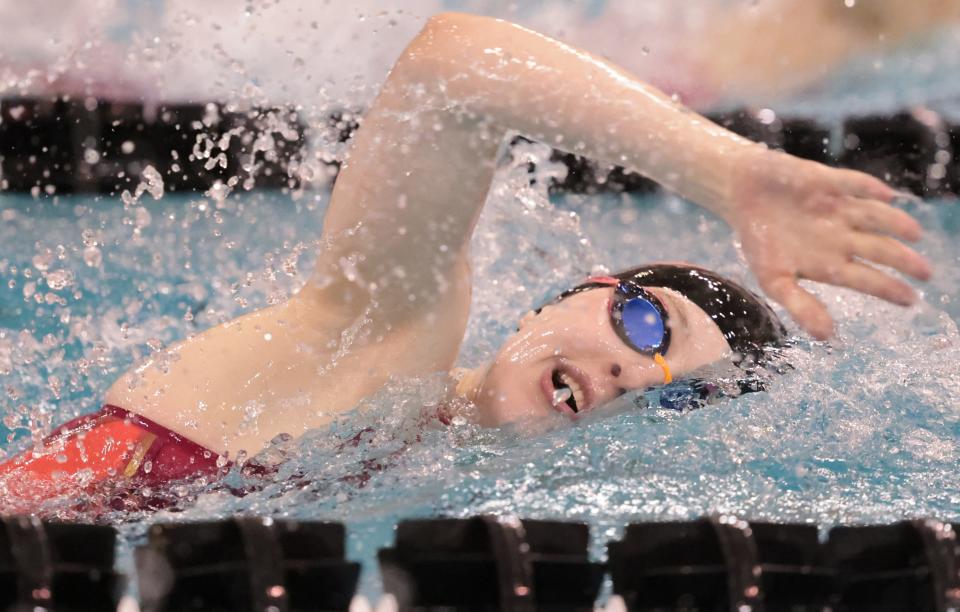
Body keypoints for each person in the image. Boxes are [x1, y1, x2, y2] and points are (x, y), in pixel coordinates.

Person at [0, 12, 931, 510]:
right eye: (647, 323)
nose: (630, 373)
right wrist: (728, 175)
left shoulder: (425, 486)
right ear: (569, 296)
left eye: (673, 391)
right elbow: (453, 64)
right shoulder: (380, 339)